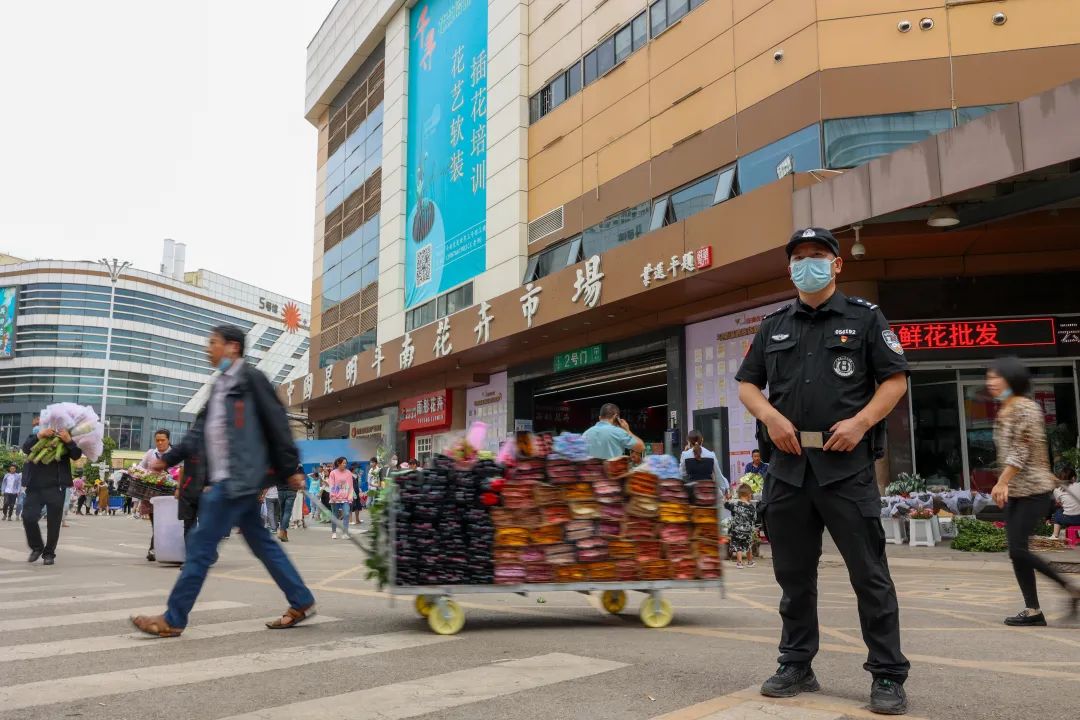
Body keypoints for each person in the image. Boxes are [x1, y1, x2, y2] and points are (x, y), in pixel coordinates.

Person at [735, 227, 911, 715]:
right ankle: (796, 664)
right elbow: (748, 385)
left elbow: (894, 381)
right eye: (797, 257)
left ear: (837, 264)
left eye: (816, 255)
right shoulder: (774, 324)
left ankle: (887, 674)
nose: (805, 263)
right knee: (793, 576)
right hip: (788, 469)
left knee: (869, 575)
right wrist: (769, 417)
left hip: (846, 469)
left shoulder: (865, 318)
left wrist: (860, 422)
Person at [130, 324, 315, 638]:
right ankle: (301, 599)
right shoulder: (219, 387)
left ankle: (174, 618)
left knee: (201, 546)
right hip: (230, 481)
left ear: (232, 347)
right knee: (263, 544)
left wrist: (290, 468)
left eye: (213, 343)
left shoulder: (251, 380)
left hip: (237, 481)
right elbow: (199, 433)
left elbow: (277, 424)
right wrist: (168, 459)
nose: (208, 348)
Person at [986, 357, 1080, 625]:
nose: (990, 382)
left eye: (996, 377)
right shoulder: (1006, 409)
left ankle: (1070, 589)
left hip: (1034, 491)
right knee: (1016, 551)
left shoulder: (1026, 408)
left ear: (1011, 378)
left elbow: (1021, 449)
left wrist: (1002, 481)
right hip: (1016, 491)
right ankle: (1033, 610)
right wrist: (1005, 483)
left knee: (1018, 549)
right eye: (989, 377)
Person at [21, 424, 82, 565]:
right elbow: (25, 448)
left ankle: (49, 554)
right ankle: (37, 547)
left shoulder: (65, 438)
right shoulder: (37, 433)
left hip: (56, 487)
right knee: (28, 517)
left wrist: (69, 441)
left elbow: (76, 455)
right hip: (34, 486)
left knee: (54, 523)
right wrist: (39, 435)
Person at [138, 429, 173, 561]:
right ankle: (153, 549)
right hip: (152, 495)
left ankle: (157, 549)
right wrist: (144, 474)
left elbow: (180, 470)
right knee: (156, 524)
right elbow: (141, 467)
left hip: (169, 494)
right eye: (157, 440)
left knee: (166, 524)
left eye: (162, 440)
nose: (159, 443)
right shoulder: (150, 453)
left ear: (168, 440)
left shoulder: (175, 454)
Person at [724, 483, 759, 568]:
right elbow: (754, 518)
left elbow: (726, 505)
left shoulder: (735, 504)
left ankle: (739, 563)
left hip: (736, 530)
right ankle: (750, 562)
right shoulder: (751, 507)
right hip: (747, 531)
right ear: (749, 495)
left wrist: (727, 499)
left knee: (738, 546)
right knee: (748, 546)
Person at [327, 457, 354, 540]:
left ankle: (345, 533)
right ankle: (334, 532)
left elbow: (350, 485)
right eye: (343, 463)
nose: (345, 465)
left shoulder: (349, 473)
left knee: (346, 514)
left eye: (346, 463)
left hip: (345, 498)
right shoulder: (333, 473)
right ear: (339, 463)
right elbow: (332, 484)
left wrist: (350, 497)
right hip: (335, 498)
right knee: (334, 515)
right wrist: (333, 495)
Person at [1051, 469, 1080, 540]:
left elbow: (1059, 504)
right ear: (1073, 478)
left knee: (1058, 512)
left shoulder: (1057, 490)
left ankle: (1055, 535)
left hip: (1067, 519)